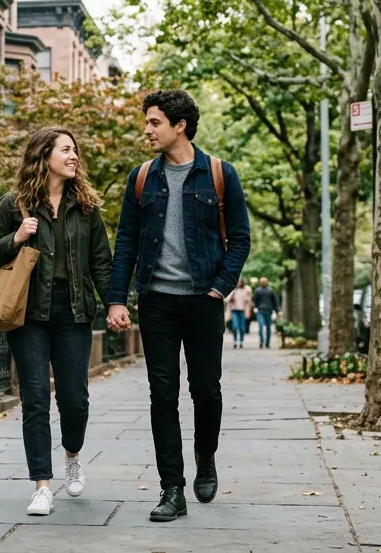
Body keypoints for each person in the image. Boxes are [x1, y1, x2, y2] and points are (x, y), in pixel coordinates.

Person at [105, 89, 251, 522]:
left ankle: (206, 457)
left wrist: (218, 288)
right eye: (147, 122)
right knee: (162, 395)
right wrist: (117, 298)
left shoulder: (220, 174)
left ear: (179, 125)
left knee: (206, 391)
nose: (146, 129)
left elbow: (240, 238)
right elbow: (126, 241)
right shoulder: (142, 177)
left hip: (203, 302)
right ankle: (173, 488)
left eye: (154, 122)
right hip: (157, 303)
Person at [0, 127, 114, 517]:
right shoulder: (15, 203)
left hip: (73, 311)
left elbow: (101, 263)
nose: (74, 156)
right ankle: (42, 484)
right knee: (35, 398)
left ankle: (73, 454)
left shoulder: (86, 207)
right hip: (29, 314)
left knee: (75, 400)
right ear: (45, 156)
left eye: (75, 150)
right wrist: (17, 237)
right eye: (67, 150)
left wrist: (116, 305)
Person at [251, 277, 281, 349]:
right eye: (262, 281)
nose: (264, 283)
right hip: (260, 311)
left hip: (269, 311)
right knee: (261, 326)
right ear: (260, 282)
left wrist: (277, 311)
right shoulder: (257, 291)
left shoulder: (271, 291)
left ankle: (267, 343)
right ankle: (262, 341)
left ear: (267, 282)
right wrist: (254, 308)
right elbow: (253, 301)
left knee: (268, 327)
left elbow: (275, 302)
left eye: (265, 281)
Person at [226, 278, 250, 349]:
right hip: (234, 311)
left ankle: (241, 341)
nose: (238, 283)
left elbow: (247, 301)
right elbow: (226, 300)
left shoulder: (245, 290)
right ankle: (235, 341)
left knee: (242, 328)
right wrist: (231, 298)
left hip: (242, 311)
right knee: (235, 327)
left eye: (239, 282)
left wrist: (247, 312)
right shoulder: (233, 290)